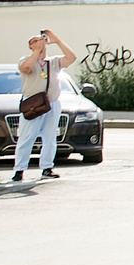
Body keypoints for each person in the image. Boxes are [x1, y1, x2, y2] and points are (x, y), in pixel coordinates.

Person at [12, 29, 80, 182]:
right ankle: (19, 170)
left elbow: (71, 58)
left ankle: (47, 168)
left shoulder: (54, 62)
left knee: (50, 138)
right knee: (26, 137)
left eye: (41, 39)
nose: (40, 42)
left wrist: (57, 41)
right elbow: (26, 69)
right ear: (30, 46)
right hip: (33, 103)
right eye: (35, 41)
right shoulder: (25, 59)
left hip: (51, 103)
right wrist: (36, 51)